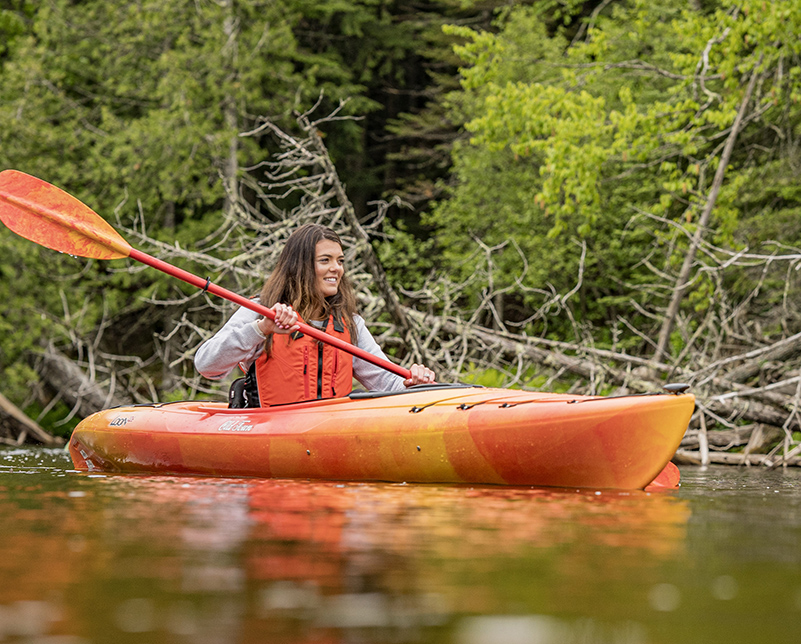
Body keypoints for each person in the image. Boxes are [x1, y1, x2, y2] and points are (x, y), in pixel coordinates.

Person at [194, 223, 436, 406]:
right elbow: (207, 365)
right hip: (269, 430)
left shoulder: (350, 324)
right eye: (325, 260)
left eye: (340, 261)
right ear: (301, 267)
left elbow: (386, 382)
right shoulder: (261, 309)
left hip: (327, 433)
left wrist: (411, 382)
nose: (336, 268)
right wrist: (261, 329)